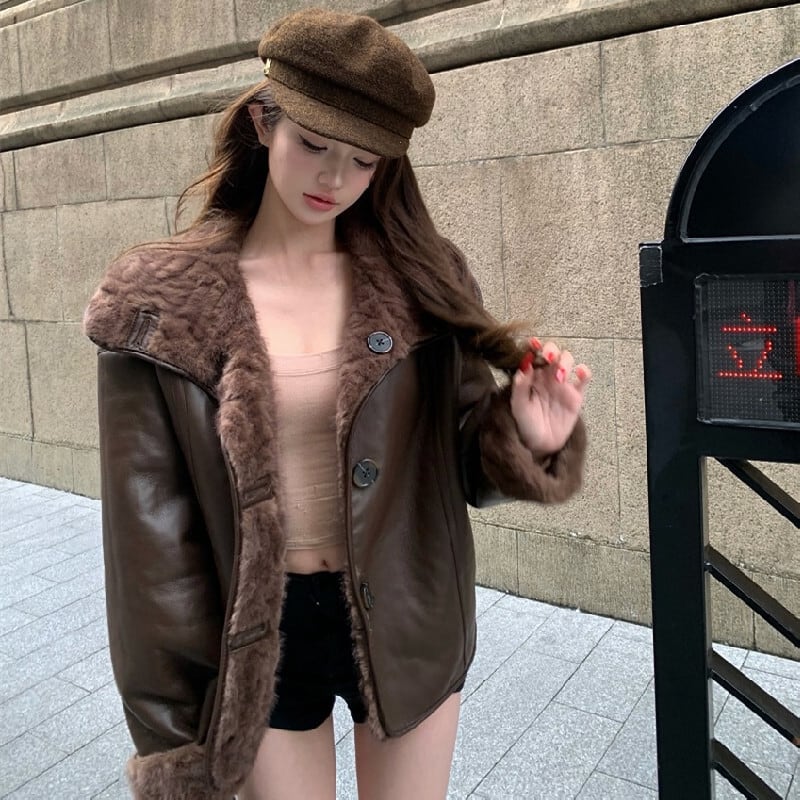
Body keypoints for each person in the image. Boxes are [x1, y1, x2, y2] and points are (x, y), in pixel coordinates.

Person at [83, 8, 591, 800]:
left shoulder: (423, 279)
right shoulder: (159, 304)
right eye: (313, 144)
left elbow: (461, 466)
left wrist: (523, 433)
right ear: (263, 122)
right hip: (257, 635)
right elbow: (150, 545)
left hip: (409, 612)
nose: (333, 179)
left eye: (362, 160)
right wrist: (170, 734)